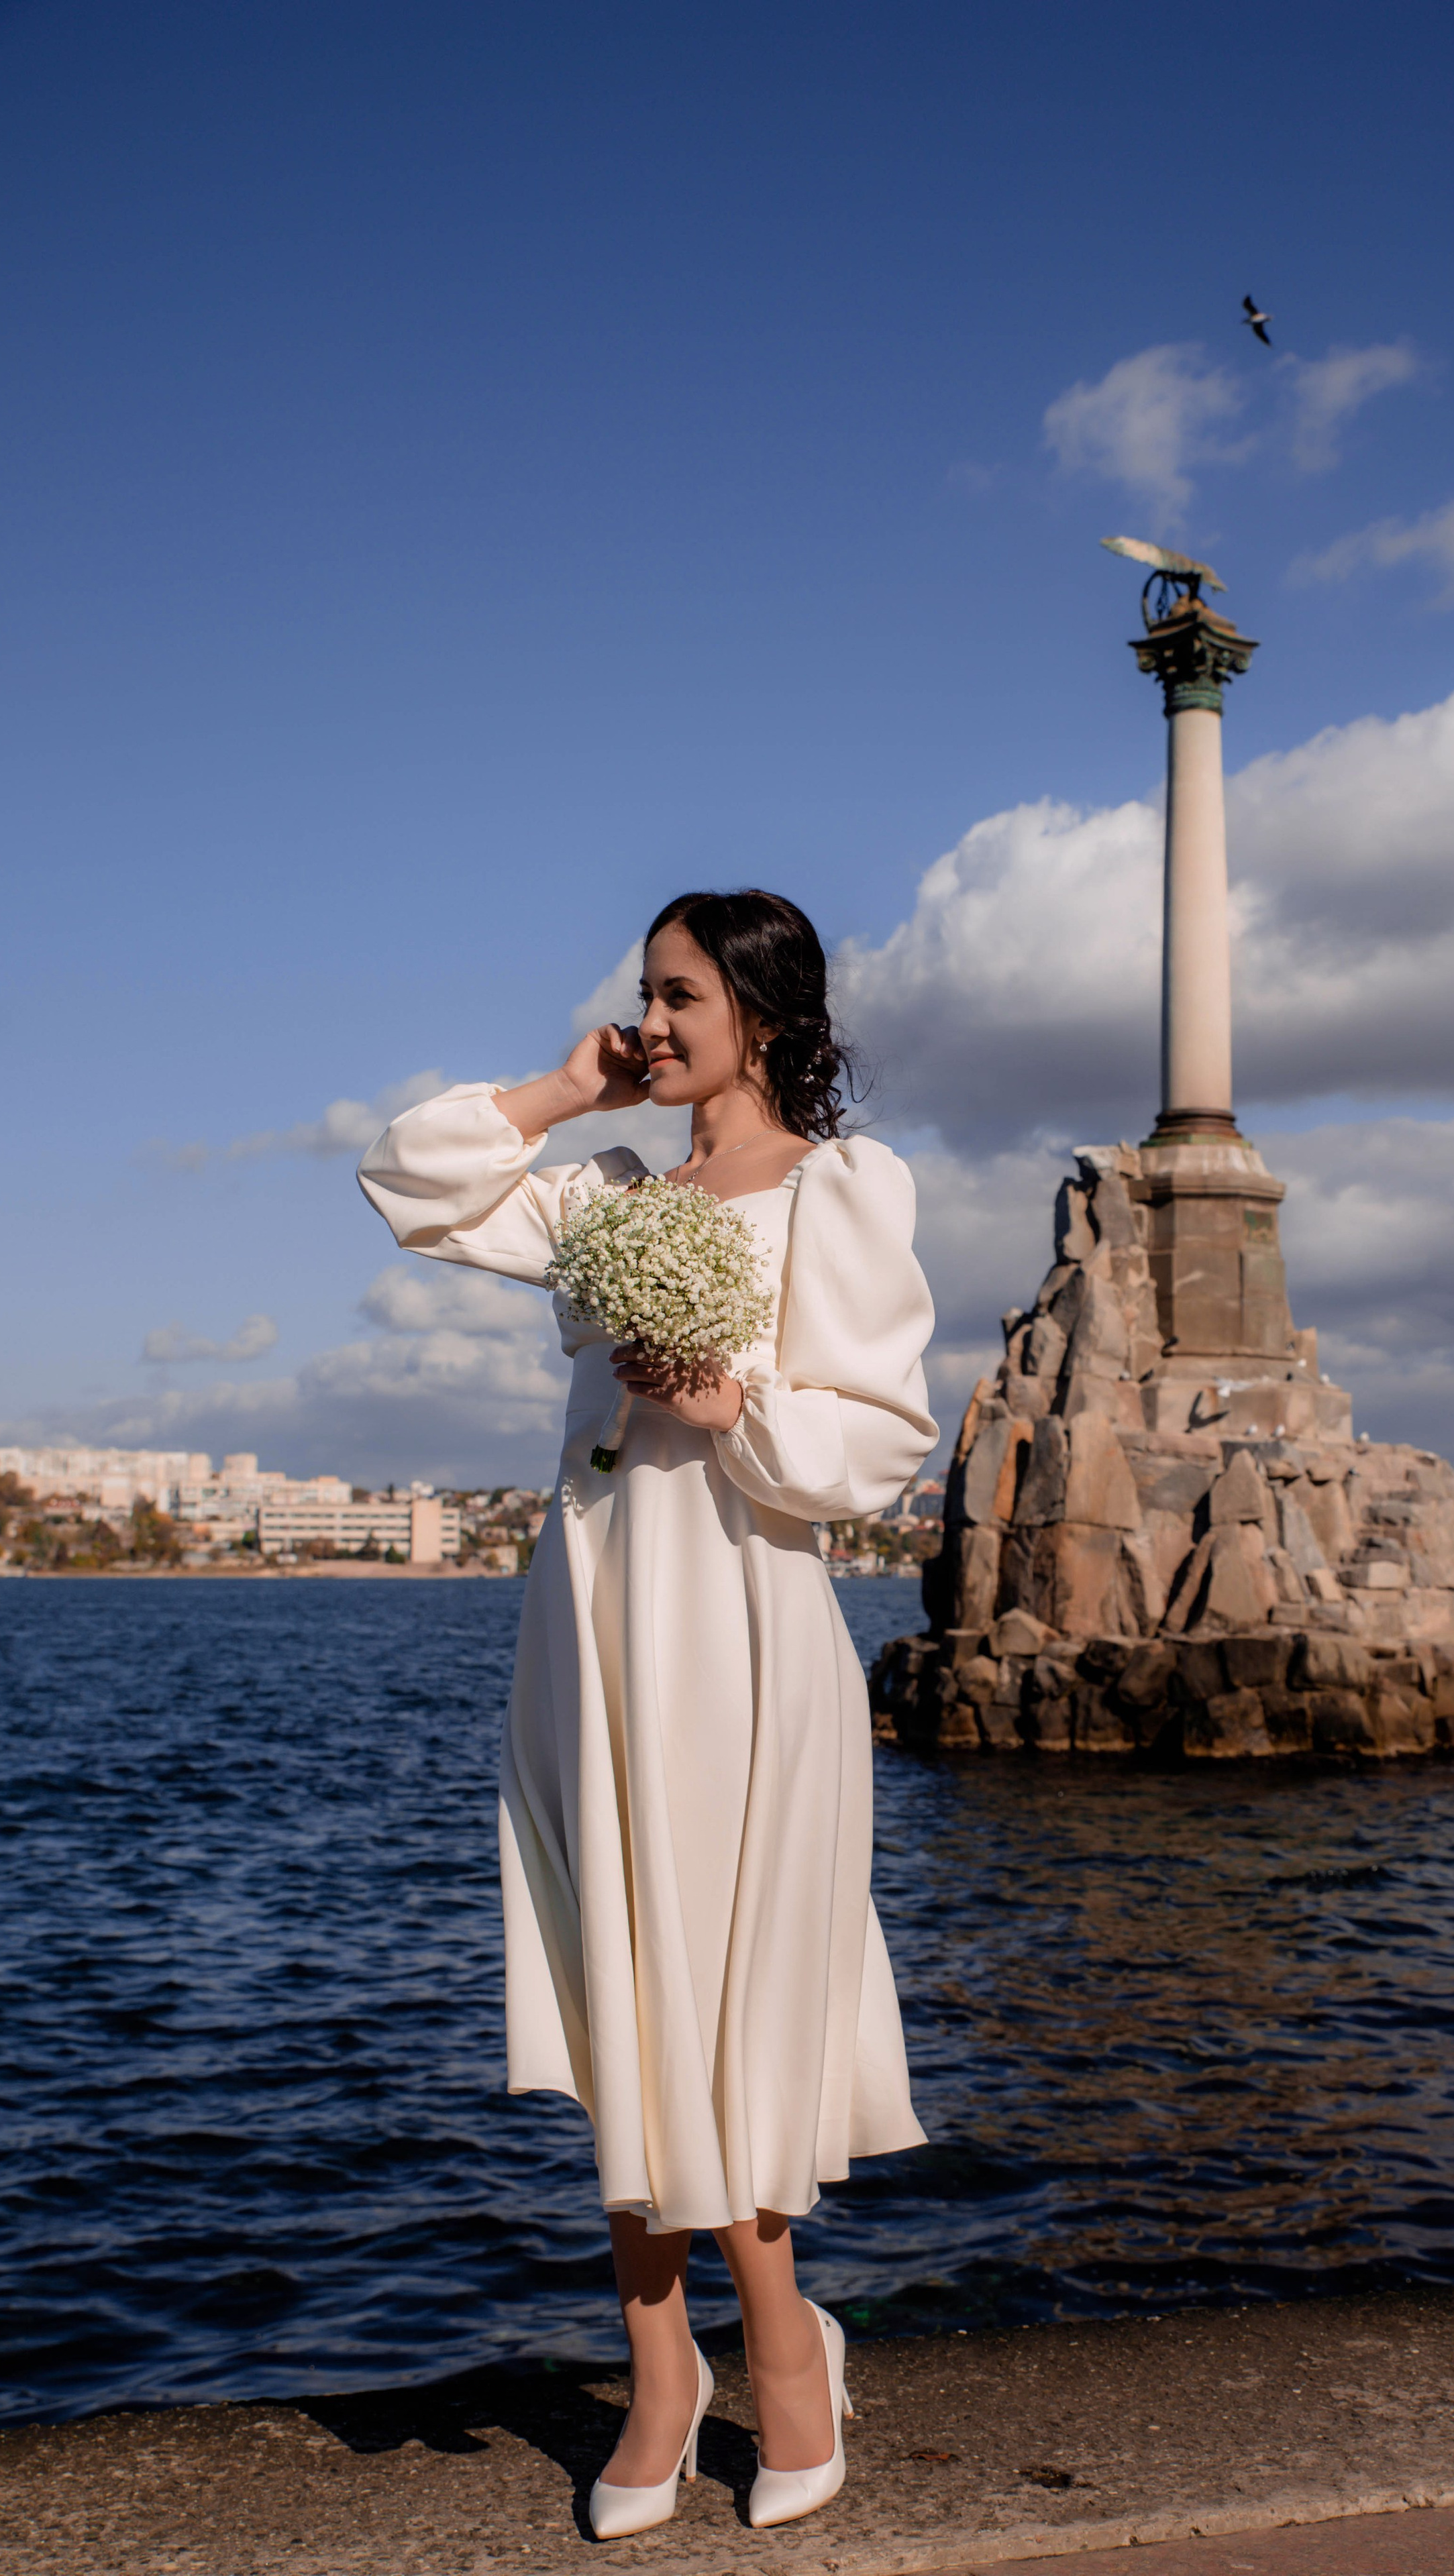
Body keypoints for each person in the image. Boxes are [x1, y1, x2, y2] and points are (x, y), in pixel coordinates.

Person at [357, 888, 938, 2536]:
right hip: (593, 1611)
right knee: (618, 1984)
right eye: (643, 996)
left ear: (762, 1009)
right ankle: (660, 2366)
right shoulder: (610, 1185)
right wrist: (565, 1094)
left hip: (743, 1618)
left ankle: (783, 2352)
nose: (655, 1022)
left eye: (679, 997)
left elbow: (882, 1436)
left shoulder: (840, 1187)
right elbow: (409, 1182)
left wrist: (724, 1400)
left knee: (727, 1989)